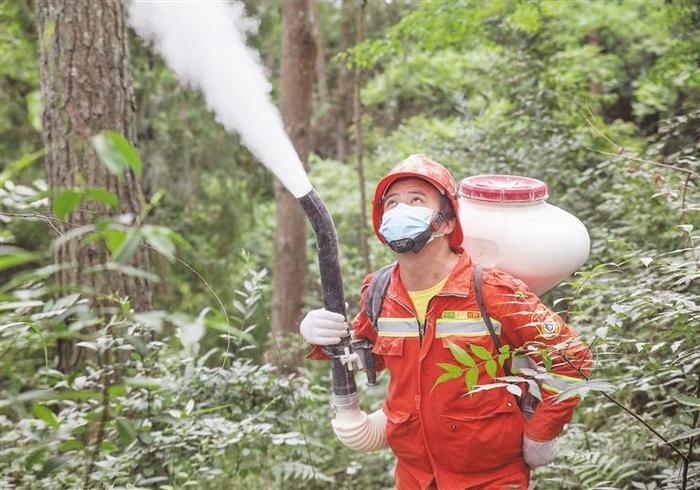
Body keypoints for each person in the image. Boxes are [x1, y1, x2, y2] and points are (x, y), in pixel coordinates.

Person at [300, 154, 593, 489]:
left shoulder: (493, 291)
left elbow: (574, 358)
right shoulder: (379, 291)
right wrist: (319, 335)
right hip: (415, 477)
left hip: (491, 478)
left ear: (447, 222)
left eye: (416, 200)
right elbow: (365, 354)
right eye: (391, 203)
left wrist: (541, 434)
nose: (400, 211)